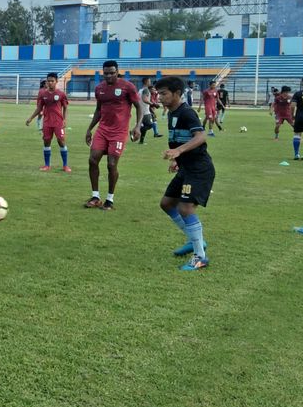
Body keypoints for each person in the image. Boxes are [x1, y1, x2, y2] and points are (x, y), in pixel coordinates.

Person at [155, 76, 214, 271]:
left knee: (185, 208)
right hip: (186, 167)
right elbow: (179, 139)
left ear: (177, 93)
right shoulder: (172, 113)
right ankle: (193, 239)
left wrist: (179, 152)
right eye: (158, 93)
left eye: (163, 93)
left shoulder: (187, 112)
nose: (159, 97)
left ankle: (200, 257)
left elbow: (201, 136)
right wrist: (176, 160)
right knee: (166, 204)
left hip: (198, 169)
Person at [84, 60, 142, 210]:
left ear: (117, 72)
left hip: (119, 132)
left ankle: (110, 199)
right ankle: (95, 197)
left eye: (112, 73)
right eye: (106, 73)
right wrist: (90, 129)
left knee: (111, 164)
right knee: (92, 160)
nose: (109, 75)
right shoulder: (99, 88)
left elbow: (139, 106)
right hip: (102, 130)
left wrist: (137, 126)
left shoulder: (127, 87)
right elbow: (98, 110)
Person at [25, 72, 70, 172]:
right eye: (48, 81)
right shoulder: (43, 94)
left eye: (52, 81)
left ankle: (65, 165)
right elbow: (39, 108)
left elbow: (66, 108)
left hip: (58, 122)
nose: (50, 83)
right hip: (47, 122)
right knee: (46, 142)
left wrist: (65, 120)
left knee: (61, 142)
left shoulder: (61, 94)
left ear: (56, 81)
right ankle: (47, 165)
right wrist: (31, 118)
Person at [138, 77, 162, 143]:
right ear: (146, 82)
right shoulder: (146, 90)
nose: (150, 82)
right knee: (150, 125)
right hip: (145, 111)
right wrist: (154, 104)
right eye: (149, 81)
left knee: (147, 125)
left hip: (141, 111)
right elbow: (144, 99)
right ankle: (136, 131)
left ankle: (141, 141)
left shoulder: (140, 90)